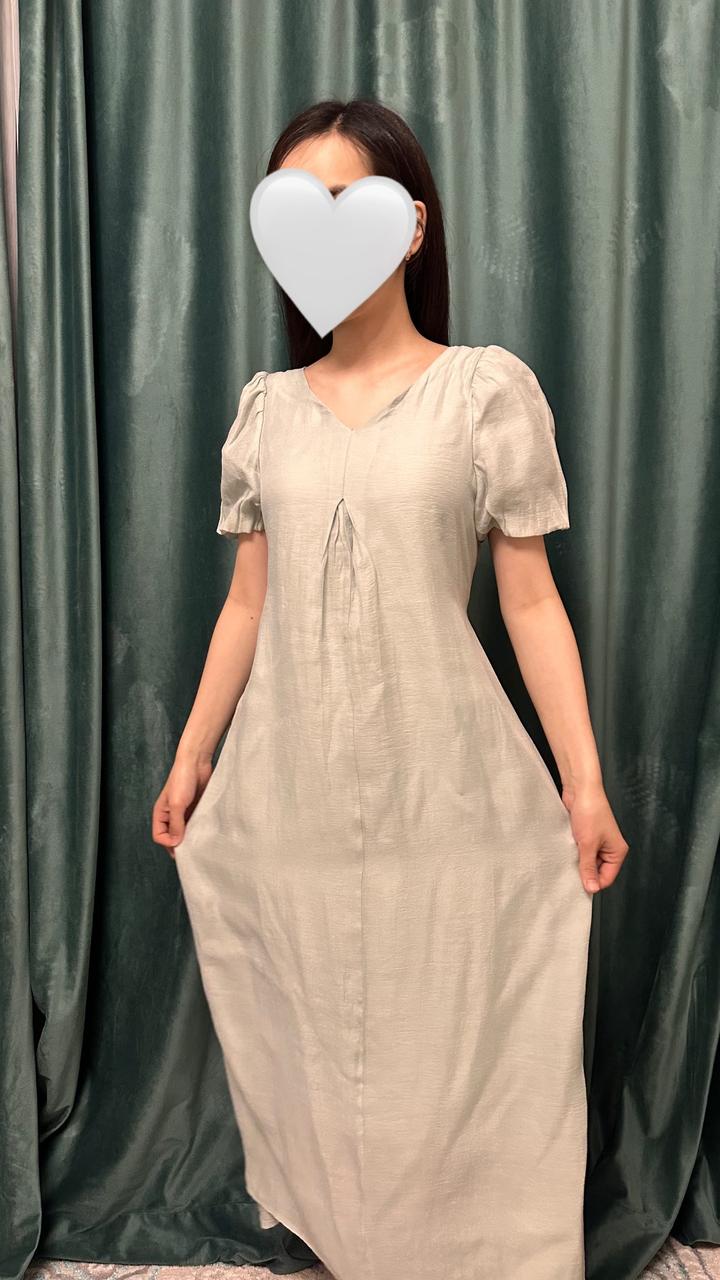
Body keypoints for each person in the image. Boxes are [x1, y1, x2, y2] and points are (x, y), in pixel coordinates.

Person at [152, 97, 629, 1280]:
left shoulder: (484, 392)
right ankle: (356, 1244)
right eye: (293, 205)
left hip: (445, 782)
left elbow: (530, 602)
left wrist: (582, 784)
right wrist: (193, 758)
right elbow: (247, 604)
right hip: (294, 788)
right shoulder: (266, 413)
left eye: (342, 200)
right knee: (322, 1037)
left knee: (455, 1031)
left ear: (410, 225)